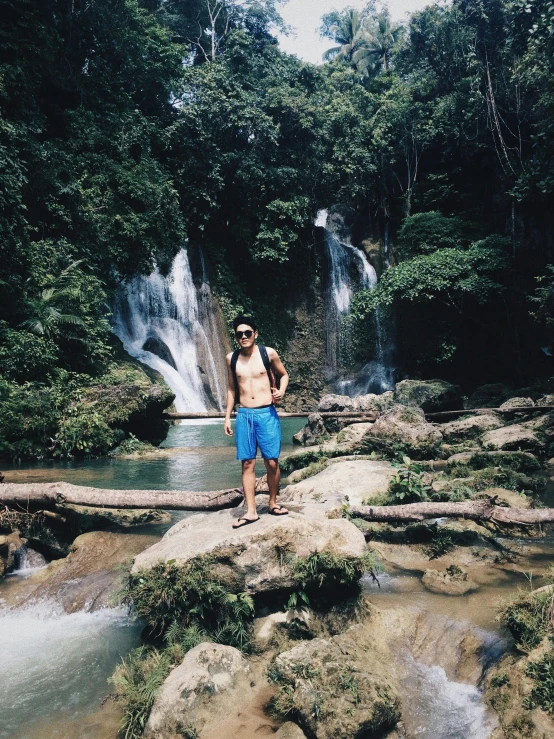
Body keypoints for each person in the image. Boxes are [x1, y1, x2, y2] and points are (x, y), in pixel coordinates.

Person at [224, 315, 289, 528]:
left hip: (266, 413)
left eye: (247, 333)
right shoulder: (231, 358)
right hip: (244, 415)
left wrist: (281, 391)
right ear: (236, 337)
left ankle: (272, 503)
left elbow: (284, 374)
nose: (244, 337)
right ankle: (251, 511)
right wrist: (226, 417)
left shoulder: (267, 353)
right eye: (239, 334)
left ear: (255, 334)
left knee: (271, 461)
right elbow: (232, 389)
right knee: (247, 463)